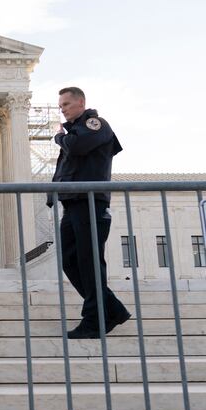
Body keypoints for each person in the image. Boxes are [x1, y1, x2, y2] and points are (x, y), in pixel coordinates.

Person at [49, 86, 131, 340]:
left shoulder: (95, 124)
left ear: (81, 103)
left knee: (89, 261)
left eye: (66, 104)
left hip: (90, 202)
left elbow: (78, 147)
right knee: (69, 259)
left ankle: (95, 319)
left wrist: (58, 136)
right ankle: (112, 309)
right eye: (60, 106)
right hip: (72, 203)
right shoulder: (75, 131)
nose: (62, 109)